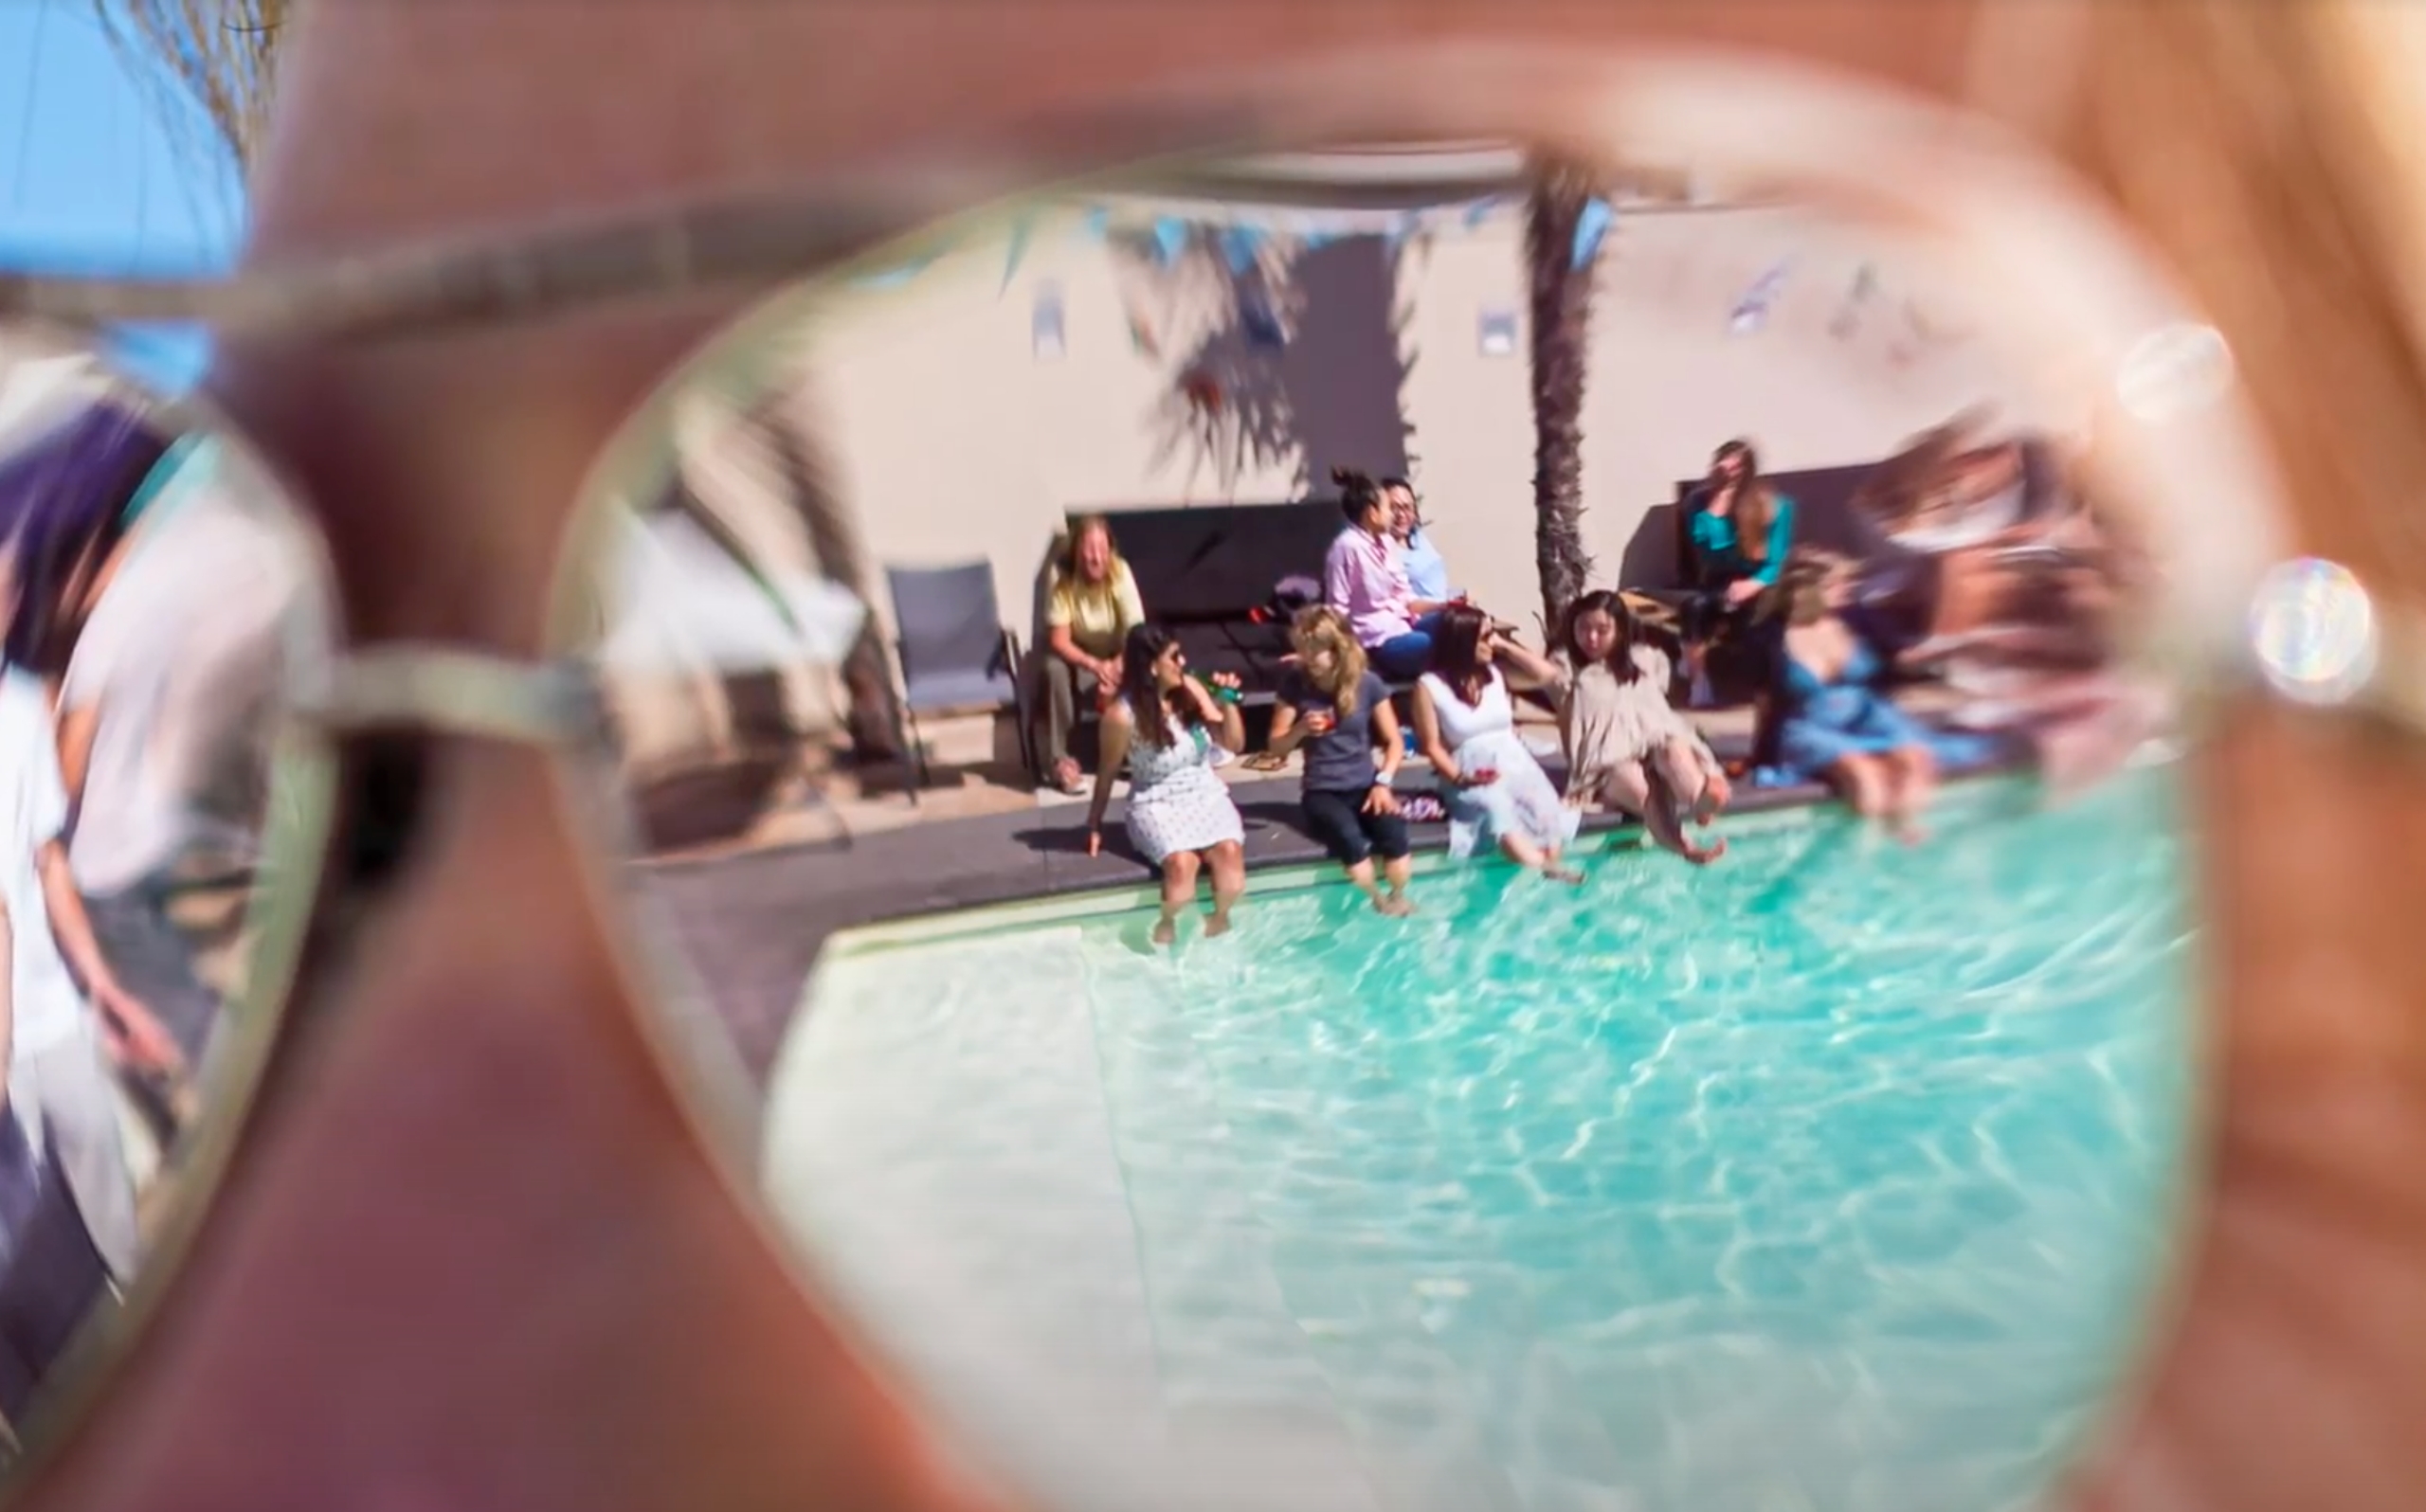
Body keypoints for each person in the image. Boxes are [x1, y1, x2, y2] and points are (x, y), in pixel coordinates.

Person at [58, 436, 300, 1075]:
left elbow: (71, 760)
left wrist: (52, 848)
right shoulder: (205, 578)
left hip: (114, 863)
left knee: (194, 1030)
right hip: (181, 831)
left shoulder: (114, 621)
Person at [1755, 552, 1993, 843]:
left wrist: (1952, 649)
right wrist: (1762, 755)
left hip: (1866, 716)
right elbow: (1764, 701)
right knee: (1864, 775)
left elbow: (1903, 658)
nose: (1848, 590)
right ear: (1810, 590)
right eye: (1838, 585)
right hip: (1811, 725)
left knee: (1915, 761)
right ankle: (1866, 847)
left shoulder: (1856, 621)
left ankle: (1905, 839)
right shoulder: (1774, 637)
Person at [1083, 624, 1248, 945]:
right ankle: (1166, 926)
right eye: (1174, 657)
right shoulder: (1122, 716)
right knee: (1181, 864)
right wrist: (1094, 824)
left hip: (1204, 792)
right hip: (1155, 801)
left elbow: (1233, 744)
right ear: (1152, 667)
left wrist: (1228, 703)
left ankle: (1219, 921)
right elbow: (1107, 771)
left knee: (1229, 852)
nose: (1182, 662)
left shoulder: (1190, 690)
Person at [1553, 589, 1730, 865]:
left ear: (1620, 631)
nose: (1591, 638)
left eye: (1602, 630)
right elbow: (1540, 677)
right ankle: (1685, 845)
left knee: (1673, 750)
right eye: (1583, 628)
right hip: (1605, 762)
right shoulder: (1565, 668)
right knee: (1644, 792)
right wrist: (1506, 649)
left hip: (1651, 744)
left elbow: (1663, 715)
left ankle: (1700, 802)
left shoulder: (1645, 661)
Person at [1410, 604, 1583, 881]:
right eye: (1485, 637)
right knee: (1496, 810)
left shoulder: (1494, 675)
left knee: (1544, 810)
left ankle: (1550, 867)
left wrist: (1504, 645)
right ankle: (1546, 869)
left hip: (1514, 762)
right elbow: (1431, 746)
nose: (1491, 642)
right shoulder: (1429, 685)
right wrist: (1460, 778)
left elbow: (1546, 674)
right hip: (1468, 769)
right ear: (1463, 641)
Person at [1267, 607, 1413, 915]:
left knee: (1394, 832)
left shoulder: (1368, 683)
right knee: (1349, 839)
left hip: (1366, 785)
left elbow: (1394, 742)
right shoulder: (1295, 684)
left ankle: (1399, 896)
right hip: (1322, 791)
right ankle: (1377, 900)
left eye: (1314, 650)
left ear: (1337, 649)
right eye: (1303, 649)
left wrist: (1383, 783)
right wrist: (1300, 730)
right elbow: (1275, 747)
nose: (1306, 658)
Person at [1679, 438, 1796, 706]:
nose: (1727, 469)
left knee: (1759, 624)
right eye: (1722, 461)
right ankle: (1698, 681)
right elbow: (1706, 550)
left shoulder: (1773, 505)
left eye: (1736, 465)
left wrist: (1752, 584)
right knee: (1694, 608)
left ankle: (1772, 689)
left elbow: (1776, 562)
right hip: (1719, 579)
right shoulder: (1697, 503)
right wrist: (1717, 502)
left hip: (1762, 580)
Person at [1036, 514, 1145, 795]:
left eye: (1102, 548)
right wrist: (1095, 665)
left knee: (1144, 658)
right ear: (1076, 551)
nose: (1097, 557)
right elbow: (1059, 640)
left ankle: (1133, 750)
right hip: (1080, 658)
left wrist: (1117, 664)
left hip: (1118, 652)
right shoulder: (1063, 581)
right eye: (1089, 549)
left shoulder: (1119, 571)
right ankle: (1061, 761)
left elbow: (1136, 631)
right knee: (1053, 668)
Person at [1323, 466, 1450, 680]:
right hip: (1376, 640)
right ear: (1372, 514)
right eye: (1389, 508)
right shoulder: (1346, 548)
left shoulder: (1387, 543)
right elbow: (1337, 608)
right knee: (1428, 645)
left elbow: (1406, 598)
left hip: (1402, 625)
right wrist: (1339, 652)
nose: (1394, 515)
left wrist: (1445, 607)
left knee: (1457, 626)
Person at [1382, 478, 1453, 606]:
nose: (1401, 514)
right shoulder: (1380, 549)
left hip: (1443, 606)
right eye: (1394, 508)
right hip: (1419, 614)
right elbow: (1402, 602)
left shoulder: (1417, 537)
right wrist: (1443, 606)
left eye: (1407, 507)